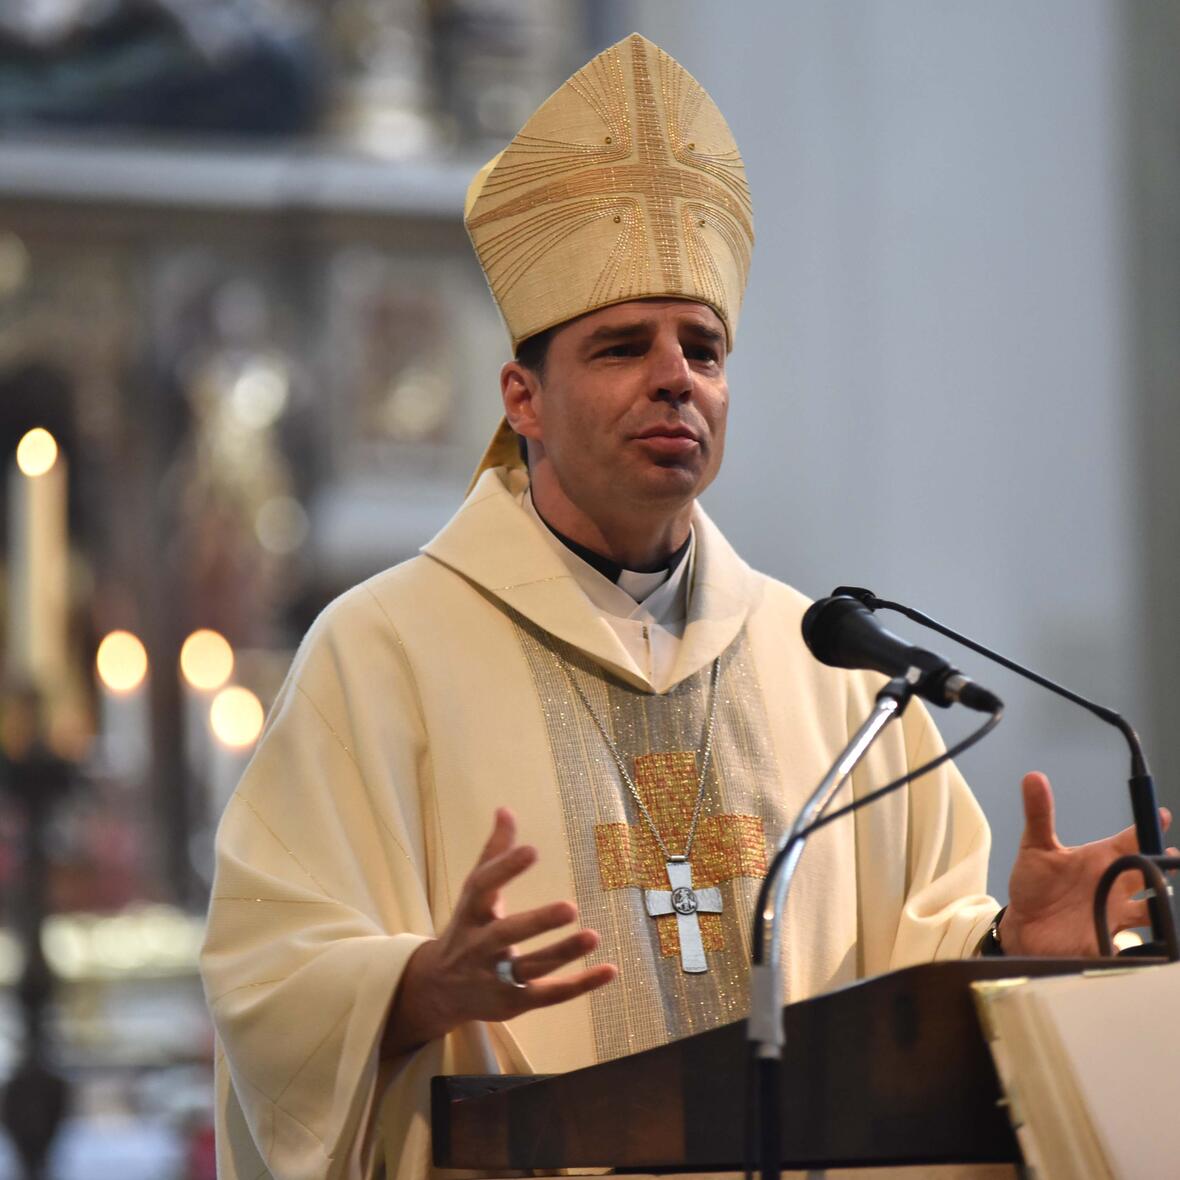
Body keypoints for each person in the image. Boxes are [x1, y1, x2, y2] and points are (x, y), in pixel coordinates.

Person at [199, 33, 1170, 1180]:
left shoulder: (836, 671)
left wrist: (1018, 948)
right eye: (622, 346)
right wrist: (412, 988)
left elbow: (911, 967)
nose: (676, 376)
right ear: (524, 397)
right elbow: (269, 975)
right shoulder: (380, 655)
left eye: (702, 347)